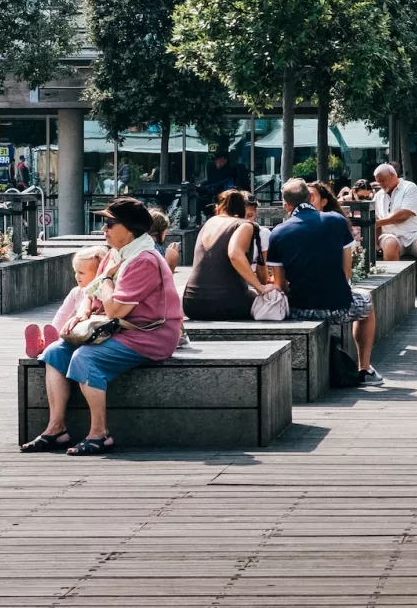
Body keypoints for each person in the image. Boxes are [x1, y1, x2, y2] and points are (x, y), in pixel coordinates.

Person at [23, 196, 181, 455]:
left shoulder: (144, 260)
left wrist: (107, 279)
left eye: (110, 224)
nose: (103, 229)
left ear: (129, 228)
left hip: (149, 334)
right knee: (54, 352)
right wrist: (82, 313)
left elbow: (116, 308)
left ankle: (99, 434)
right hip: (115, 328)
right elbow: (91, 293)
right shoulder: (117, 253)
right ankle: (56, 429)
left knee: (86, 358)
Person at [274, 178, 384, 386]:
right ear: (311, 197)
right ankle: (365, 368)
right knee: (366, 301)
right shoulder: (336, 220)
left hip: (299, 308)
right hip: (338, 305)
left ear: (286, 205)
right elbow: (346, 272)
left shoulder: (278, 232)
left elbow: (281, 285)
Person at [182, 189, 270, 320]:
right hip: (227, 302)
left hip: (191, 303)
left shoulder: (209, 223)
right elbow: (235, 254)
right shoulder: (244, 225)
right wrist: (260, 288)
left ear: (218, 208)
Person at [23, 246, 105, 358]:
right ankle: (43, 343)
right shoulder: (76, 292)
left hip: (86, 334)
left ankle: (46, 344)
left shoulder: (100, 293)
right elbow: (63, 314)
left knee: (67, 337)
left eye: (81, 273)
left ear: (98, 274)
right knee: (61, 333)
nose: (77, 276)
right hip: (74, 330)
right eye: (75, 272)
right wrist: (54, 330)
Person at [373, 163, 417, 299]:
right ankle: (394, 286)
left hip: (415, 233)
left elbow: (404, 214)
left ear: (392, 176)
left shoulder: (409, 187)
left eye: (382, 181)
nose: (380, 185)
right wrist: (375, 243)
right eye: (378, 182)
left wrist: (379, 222)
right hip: (390, 234)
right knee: (390, 243)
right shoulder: (379, 195)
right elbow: (375, 221)